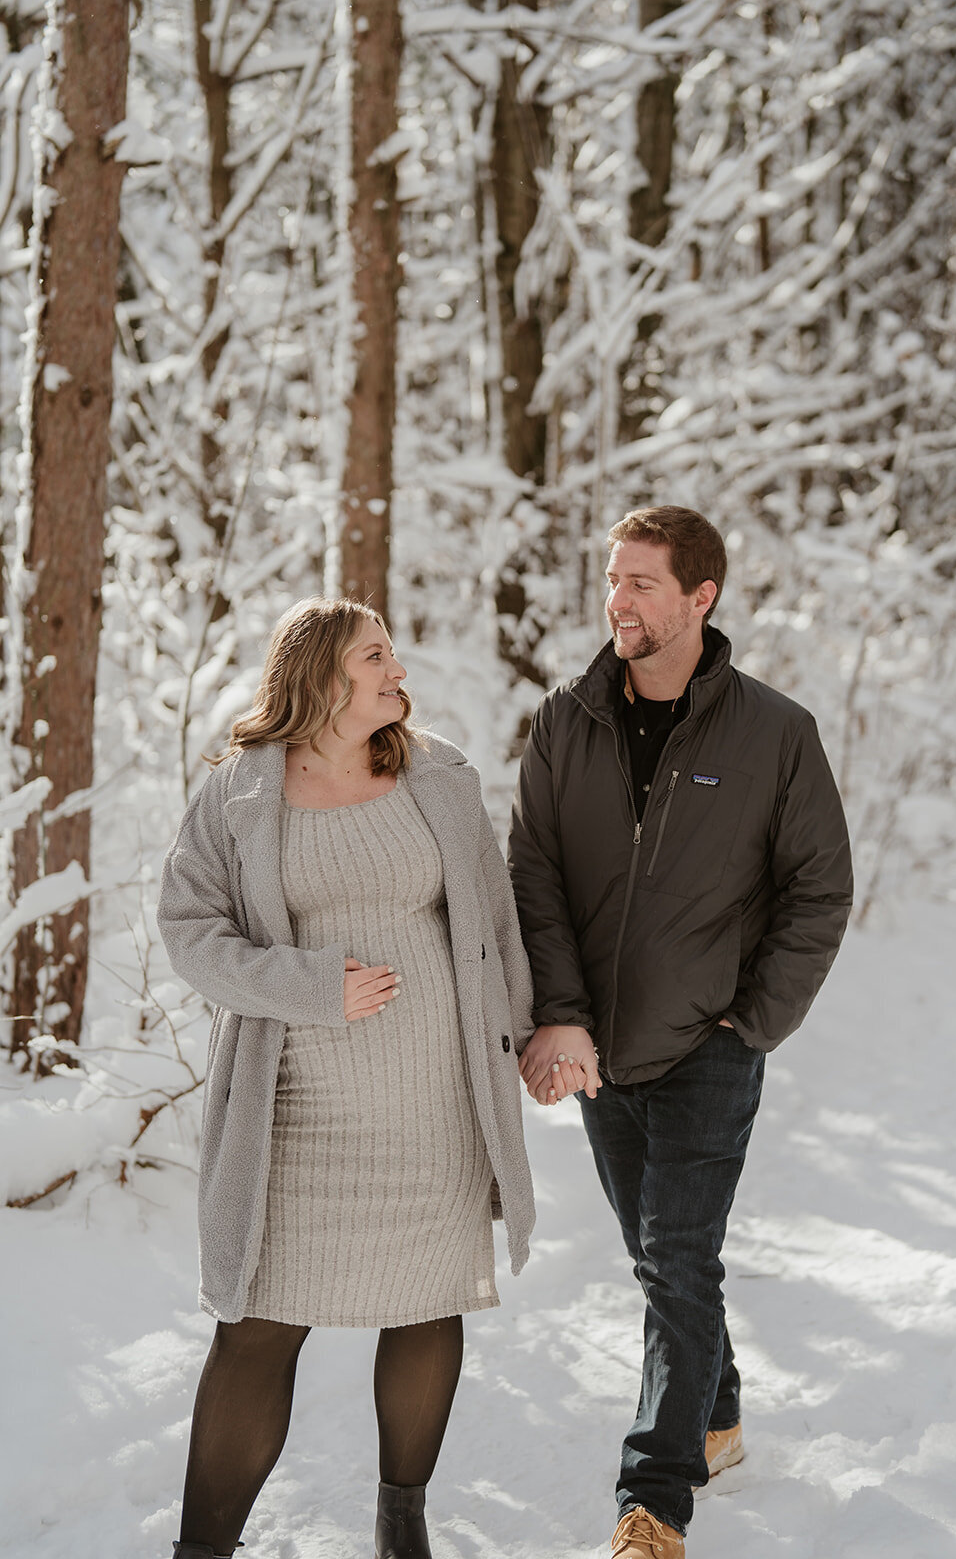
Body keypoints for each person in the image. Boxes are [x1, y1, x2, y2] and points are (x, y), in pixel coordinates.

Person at [156, 597, 535, 1559]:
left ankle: (400, 1521)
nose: (397, 669)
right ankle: (201, 1550)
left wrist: (532, 1038)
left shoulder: (437, 773)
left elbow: (494, 927)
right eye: (376, 656)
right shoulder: (241, 793)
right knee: (257, 1326)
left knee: (426, 1302)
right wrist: (307, 985)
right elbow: (190, 931)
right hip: (294, 1113)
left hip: (435, 1105)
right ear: (324, 675)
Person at [508, 506, 852, 1559]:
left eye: (642, 583)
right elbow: (535, 879)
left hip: (707, 1049)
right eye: (612, 580)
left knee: (673, 1255)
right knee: (665, 1263)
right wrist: (559, 1014)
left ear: (699, 598)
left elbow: (818, 889)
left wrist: (750, 1019)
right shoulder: (564, 722)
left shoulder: (772, 733)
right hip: (598, 1054)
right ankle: (716, 1405)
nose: (618, 600)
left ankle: (652, 1499)